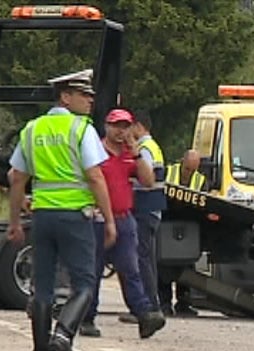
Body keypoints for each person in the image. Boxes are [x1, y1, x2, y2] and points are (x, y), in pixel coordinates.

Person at [5, 69, 117, 351]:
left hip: (42, 219)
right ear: (65, 97)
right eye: (84, 95)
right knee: (85, 284)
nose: (90, 101)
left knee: (42, 289)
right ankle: (64, 334)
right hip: (75, 219)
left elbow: (16, 178)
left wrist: (14, 221)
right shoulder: (81, 130)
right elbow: (95, 176)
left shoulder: (32, 130)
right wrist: (109, 219)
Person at [79, 108, 166, 339]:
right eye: (116, 126)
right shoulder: (95, 150)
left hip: (124, 218)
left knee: (131, 269)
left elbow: (148, 181)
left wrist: (136, 153)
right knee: (93, 270)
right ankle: (87, 317)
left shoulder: (129, 154)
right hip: (97, 219)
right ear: (107, 126)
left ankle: (144, 314)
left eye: (125, 126)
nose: (120, 131)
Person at [157, 149, 206, 316]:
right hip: (167, 221)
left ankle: (183, 303)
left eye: (193, 170)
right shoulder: (168, 172)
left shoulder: (201, 180)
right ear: (182, 162)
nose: (189, 174)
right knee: (163, 264)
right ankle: (164, 302)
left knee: (186, 264)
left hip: (189, 225)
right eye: (187, 170)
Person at [130, 109, 166, 314]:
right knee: (146, 259)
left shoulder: (144, 148)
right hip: (153, 209)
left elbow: (146, 178)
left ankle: (148, 307)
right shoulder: (154, 146)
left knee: (142, 260)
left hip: (145, 209)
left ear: (138, 126)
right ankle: (150, 305)